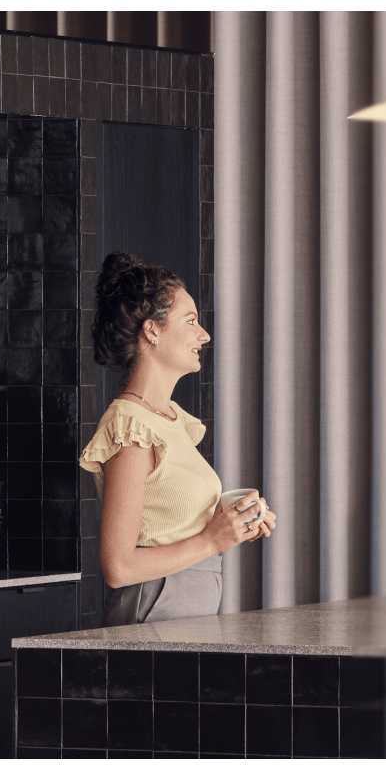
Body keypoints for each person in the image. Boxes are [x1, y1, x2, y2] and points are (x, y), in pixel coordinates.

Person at [80, 252, 276, 626]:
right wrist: (213, 541)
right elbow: (118, 567)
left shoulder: (170, 420)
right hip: (154, 608)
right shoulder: (131, 428)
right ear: (151, 330)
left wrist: (234, 523)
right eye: (191, 321)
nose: (204, 335)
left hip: (184, 608)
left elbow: (170, 525)